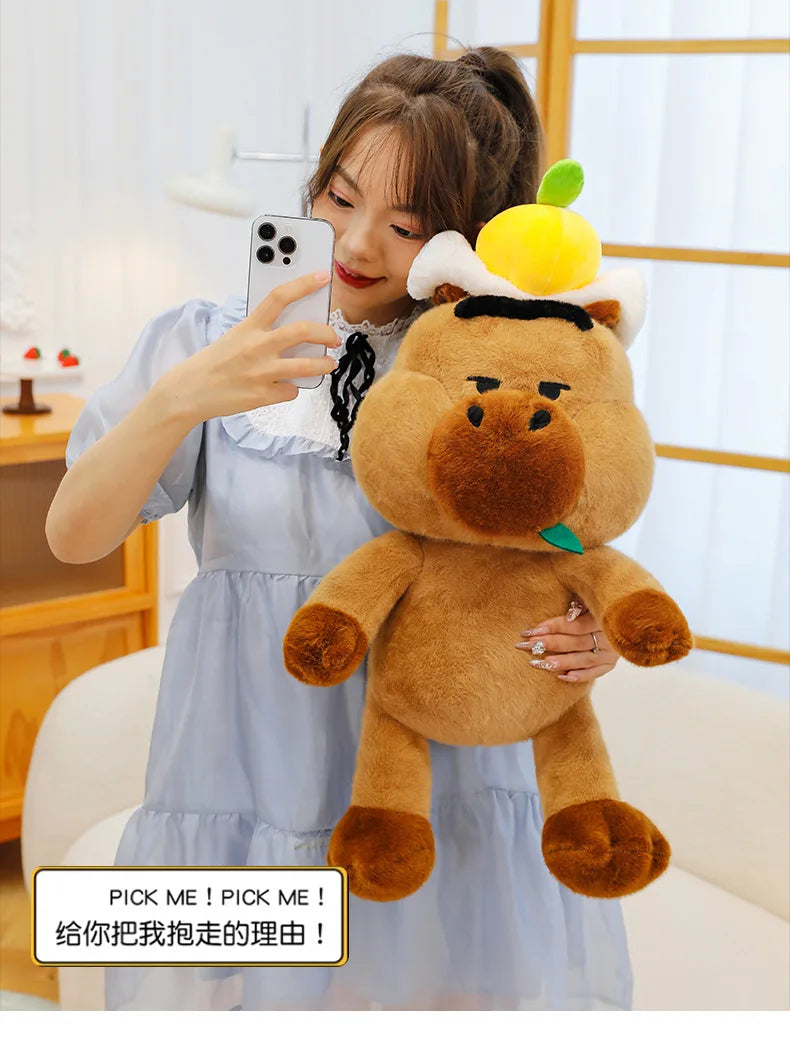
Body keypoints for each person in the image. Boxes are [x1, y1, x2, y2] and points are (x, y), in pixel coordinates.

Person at [46, 47, 627, 1011]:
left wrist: (591, 625)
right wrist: (181, 398)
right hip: (243, 770)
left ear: (464, 236)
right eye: (338, 195)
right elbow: (73, 535)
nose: (355, 242)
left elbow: (562, 545)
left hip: (439, 781)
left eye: (405, 225)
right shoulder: (200, 343)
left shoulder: (488, 371)